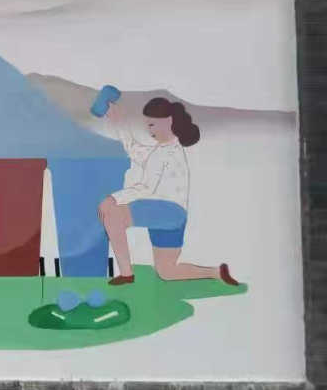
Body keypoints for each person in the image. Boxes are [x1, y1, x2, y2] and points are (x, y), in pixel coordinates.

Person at [98, 96, 238, 286]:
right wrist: (118, 120)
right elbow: (134, 149)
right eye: (148, 125)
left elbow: (146, 188)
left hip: (164, 210)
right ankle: (216, 272)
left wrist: (113, 198)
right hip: (175, 216)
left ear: (169, 121)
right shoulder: (165, 149)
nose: (149, 131)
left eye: (152, 125)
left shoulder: (165, 153)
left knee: (112, 214)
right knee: (167, 271)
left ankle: (126, 274)